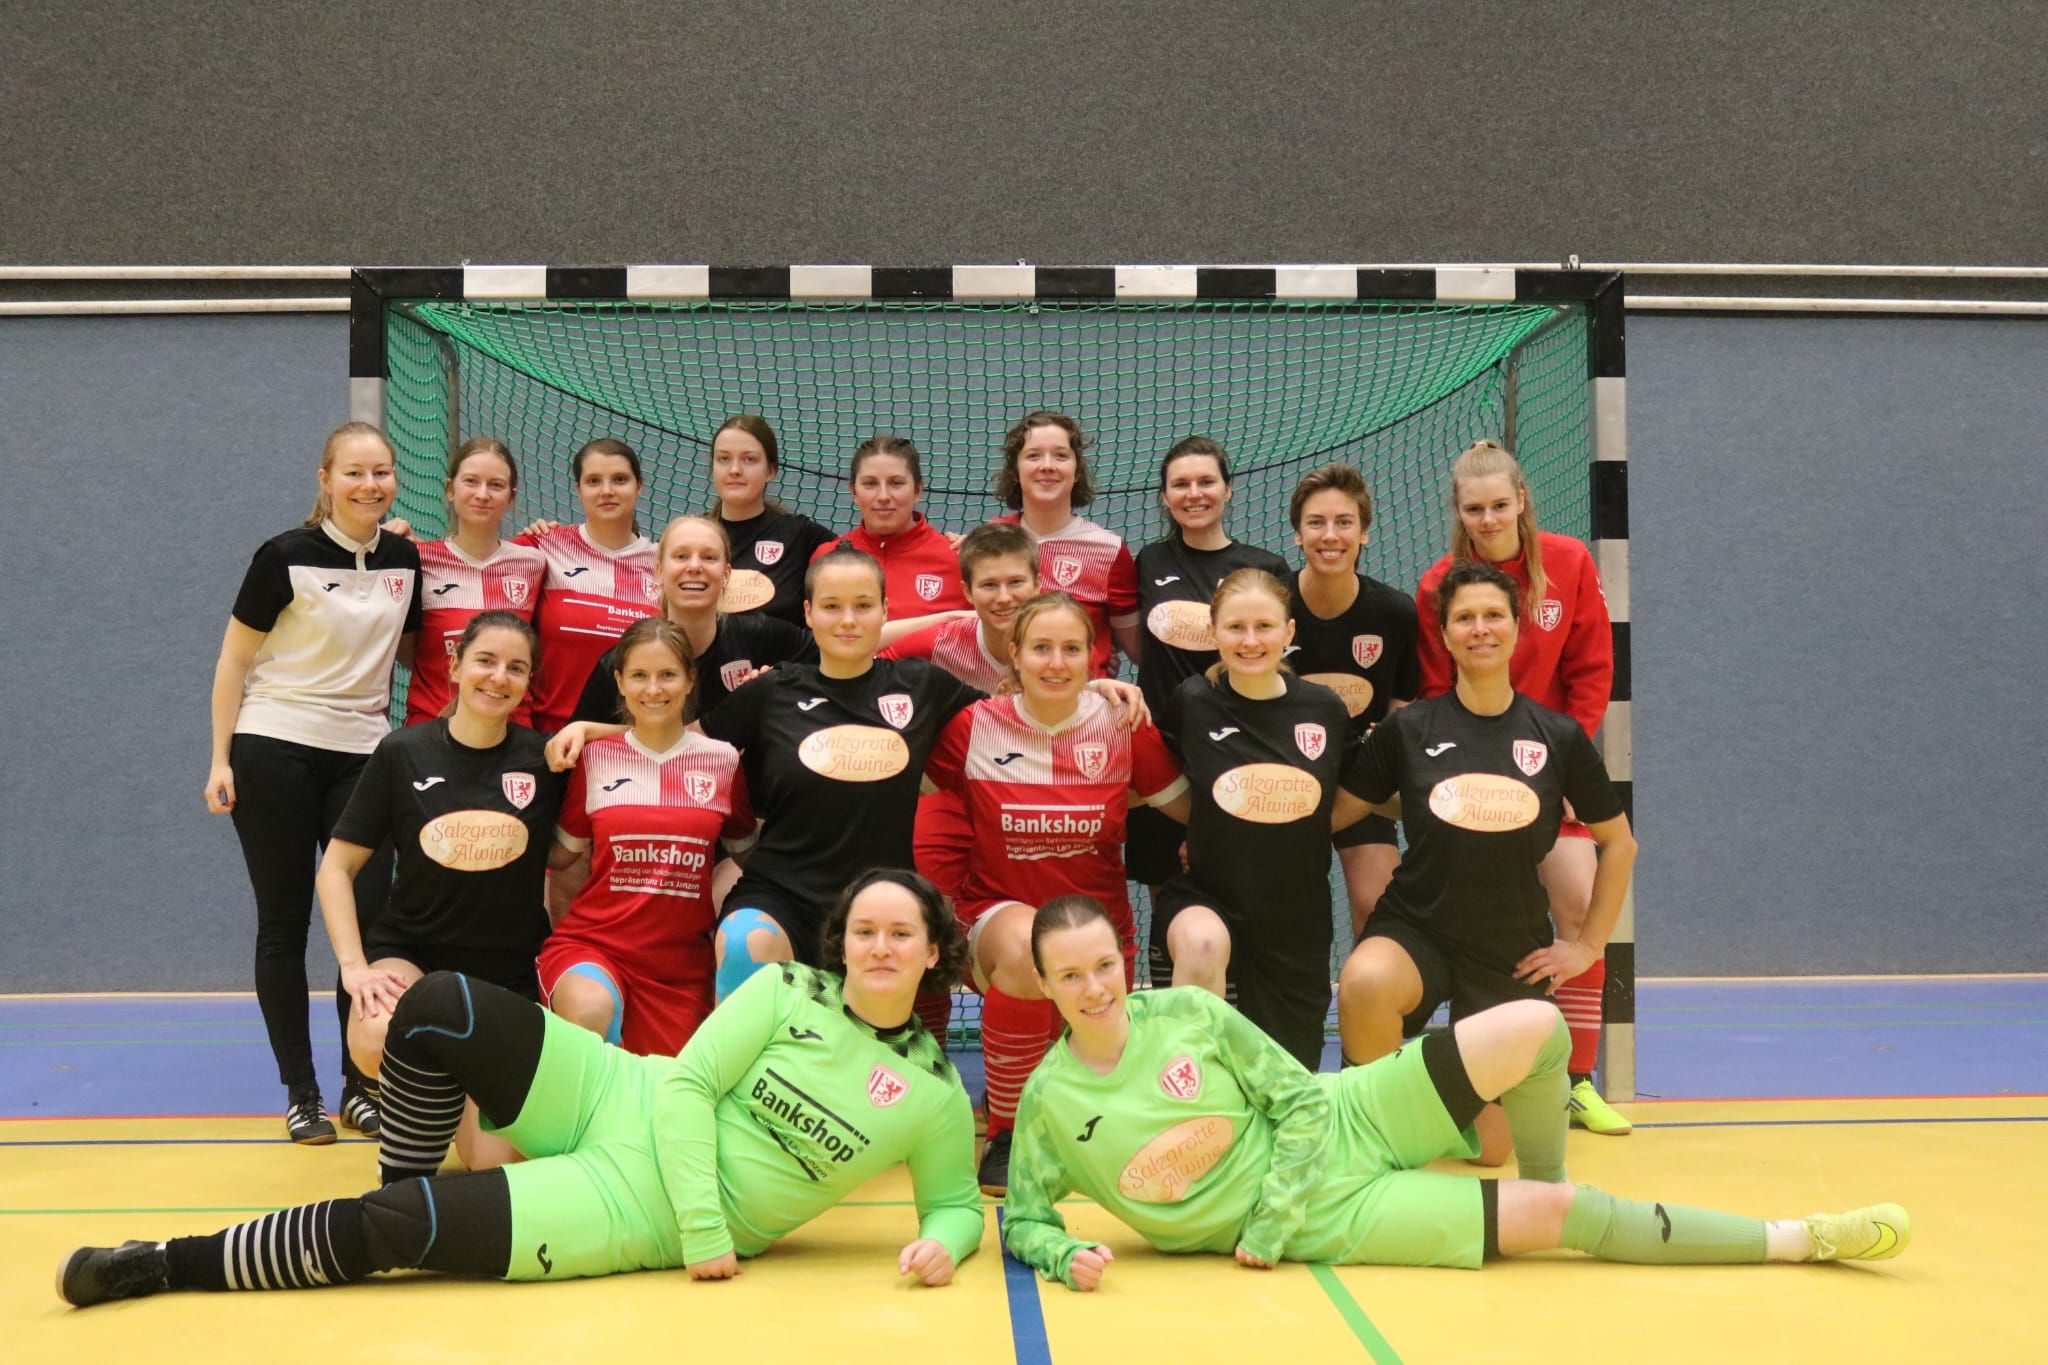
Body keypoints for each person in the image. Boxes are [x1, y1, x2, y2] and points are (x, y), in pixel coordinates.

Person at [56, 870, 985, 1308]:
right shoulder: (786, 988)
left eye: (901, 933)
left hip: (634, 1206)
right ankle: (396, 1179)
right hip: (619, 1094)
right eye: (865, 930)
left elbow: (952, 1204)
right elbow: (688, 1088)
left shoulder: (932, 1091)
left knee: (400, 1231)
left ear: (934, 950)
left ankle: (162, 1261)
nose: (879, 946)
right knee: (438, 1004)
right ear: (841, 941)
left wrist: (943, 1244)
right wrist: (712, 1233)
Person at [1001, 894, 1910, 1291]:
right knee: (1565, 1220)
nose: (1094, 987)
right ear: (1044, 984)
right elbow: (1026, 1217)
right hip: (1333, 1215)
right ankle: (1799, 1238)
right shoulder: (1047, 1103)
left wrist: (1267, 1221)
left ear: (1125, 958)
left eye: (1104, 964)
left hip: (1345, 1119)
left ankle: (1543, 1173)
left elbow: (1304, 1100)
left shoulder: (1187, 1013)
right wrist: (1059, 1253)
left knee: (1537, 1024)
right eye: (1069, 975)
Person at [1334, 560, 1632, 1164]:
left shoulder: (1556, 736)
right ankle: (1373, 1132)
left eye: (1493, 615)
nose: (1480, 629)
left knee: (1493, 1152)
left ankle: (1426, 1085)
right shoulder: (1409, 729)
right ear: (1444, 635)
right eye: (1464, 618)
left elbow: (1619, 843)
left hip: (1509, 950)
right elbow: (1334, 814)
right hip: (1417, 926)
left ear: (1517, 627)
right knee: (1364, 982)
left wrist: (1587, 946)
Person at [922, 592, 1187, 1193]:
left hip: (1097, 937)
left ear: (1094, 657)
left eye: (1071, 648)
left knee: (1081, 1105)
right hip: (997, 927)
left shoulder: (1122, 725)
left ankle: (1021, 1080)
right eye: (1041, 648)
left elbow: (1190, 809)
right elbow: (904, 786)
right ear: (1014, 653)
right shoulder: (974, 727)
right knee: (1027, 947)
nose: (1056, 662)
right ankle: (1008, 1135)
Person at [205, 420, 419, 1144]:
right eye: (353, 472)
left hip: (364, 754)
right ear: (325, 480)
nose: (369, 485)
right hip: (274, 746)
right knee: (285, 921)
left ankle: (364, 1085)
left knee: (370, 922)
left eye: (381, 472)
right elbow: (234, 662)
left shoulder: (404, 559)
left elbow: (415, 647)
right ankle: (302, 1093)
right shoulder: (283, 557)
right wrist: (220, 759)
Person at [1414, 440, 1623, 1134]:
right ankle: (1468, 1080)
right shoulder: (1437, 585)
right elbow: (1434, 692)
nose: (1489, 519)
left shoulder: (1569, 562)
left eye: (1500, 505)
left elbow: (1592, 671)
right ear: (1459, 512)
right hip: (1475, 784)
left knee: (1579, 905)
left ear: (1522, 501)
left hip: (1553, 776)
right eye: (1475, 509)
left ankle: (1576, 1081)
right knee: (1472, 925)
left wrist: (1565, 767)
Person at [316, 612, 567, 1173]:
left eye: (516, 667)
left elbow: (650, 729)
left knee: (491, 1169)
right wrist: (354, 967)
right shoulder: (402, 752)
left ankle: (451, 1088)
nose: (498, 677)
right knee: (376, 1034)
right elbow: (335, 868)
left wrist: (589, 731)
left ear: (529, 683)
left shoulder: (545, 759)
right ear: (454, 666)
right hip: (415, 956)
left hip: (506, 975)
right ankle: (436, 1088)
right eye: (485, 661)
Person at [1151, 568, 1361, 1070]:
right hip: (1208, 899)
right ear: (1213, 632)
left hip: (1296, 919)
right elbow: (1157, 779)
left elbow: (1356, 795)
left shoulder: (1324, 709)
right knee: (1202, 962)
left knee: (1288, 1074)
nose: (1250, 641)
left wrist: (1294, 825)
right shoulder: (1192, 701)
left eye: (1264, 627)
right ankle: (1189, 1105)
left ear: (1289, 632)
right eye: (1235, 627)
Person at [541, 617, 757, 1056]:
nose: (653, 689)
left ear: (690, 680)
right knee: (591, 1013)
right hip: (596, 948)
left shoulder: (723, 762)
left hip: (681, 970)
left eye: (667, 675)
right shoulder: (594, 757)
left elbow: (750, 856)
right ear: (620, 682)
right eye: (639, 675)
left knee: (670, 1086)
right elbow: (560, 858)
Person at [1128, 437, 1289, 977]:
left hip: (1239, 756)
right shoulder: (1149, 562)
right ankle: (1171, 1010)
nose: (1193, 493)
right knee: (1169, 899)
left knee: (1238, 894)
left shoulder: (1264, 568)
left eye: (1205, 481)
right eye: (1180, 484)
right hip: (1163, 758)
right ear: (1165, 496)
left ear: (1227, 489)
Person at [1286, 463, 1420, 937]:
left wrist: (1387, 753)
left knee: (1376, 904)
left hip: (1360, 786)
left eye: (1344, 522)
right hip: (1282, 785)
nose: (1330, 535)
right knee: (1286, 914)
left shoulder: (1395, 612)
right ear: (1298, 535)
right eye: (1316, 523)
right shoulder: (1272, 607)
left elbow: (1402, 703)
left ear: (1364, 533)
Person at [570, 515, 815, 730]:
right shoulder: (624, 659)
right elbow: (575, 744)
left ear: (726, 574)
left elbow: (830, 666)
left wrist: (777, 683)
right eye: (681, 556)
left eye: (709, 557)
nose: (695, 566)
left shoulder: (760, 635)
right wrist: (589, 731)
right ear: (659, 571)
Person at [404, 437, 548, 726]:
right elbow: (408, 651)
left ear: (511, 497)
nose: (482, 494)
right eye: (471, 481)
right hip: (432, 729)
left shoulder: (535, 562)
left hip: (510, 732)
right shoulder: (417, 560)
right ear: (450, 489)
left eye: (496, 485)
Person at [521, 438, 660, 733]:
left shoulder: (664, 563)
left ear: (639, 486)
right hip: (548, 738)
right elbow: (472, 561)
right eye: (594, 481)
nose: (607, 490)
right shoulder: (543, 546)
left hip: (634, 741)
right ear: (578, 490)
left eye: (619, 479)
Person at [994, 411, 1140, 676]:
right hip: (1003, 696)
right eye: (1034, 456)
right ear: (1015, 471)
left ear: (1077, 471)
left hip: (1084, 698)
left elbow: (1138, 649)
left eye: (1060, 456)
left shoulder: (1108, 551)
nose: (1047, 465)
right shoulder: (990, 541)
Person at [812, 434, 970, 615]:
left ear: (917, 491)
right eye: (870, 483)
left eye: (896, 483)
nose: (883, 496)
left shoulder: (958, 559)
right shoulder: (826, 558)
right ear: (854, 492)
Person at [708, 414, 836, 627]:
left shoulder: (799, 535)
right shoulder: (691, 536)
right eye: (723, 458)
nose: (734, 470)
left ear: (770, 471)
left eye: (749, 459)